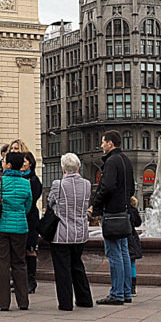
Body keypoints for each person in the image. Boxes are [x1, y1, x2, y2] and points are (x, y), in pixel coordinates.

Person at [0, 151, 32, 311]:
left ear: (8, 165)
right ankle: (23, 302)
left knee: (2, 264)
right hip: (20, 227)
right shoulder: (26, 183)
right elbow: (28, 205)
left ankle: (3, 303)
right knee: (20, 263)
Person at [47, 153, 93, 311]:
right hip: (80, 232)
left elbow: (50, 202)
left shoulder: (57, 184)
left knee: (62, 269)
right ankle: (85, 299)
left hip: (61, 233)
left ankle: (66, 303)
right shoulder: (87, 184)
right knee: (77, 264)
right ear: (78, 167)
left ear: (62, 168)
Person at [92, 130, 134, 305]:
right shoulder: (126, 160)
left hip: (112, 212)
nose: (101, 145)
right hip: (123, 212)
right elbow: (131, 188)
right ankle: (125, 291)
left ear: (110, 144)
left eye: (103, 142)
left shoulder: (111, 162)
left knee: (114, 253)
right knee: (123, 252)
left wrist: (96, 204)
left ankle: (116, 293)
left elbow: (107, 186)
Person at [20, 152, 42, 293]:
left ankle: (31, 280)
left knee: (30, 249)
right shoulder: (18, 178)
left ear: (31, 163)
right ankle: (21, 280)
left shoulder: (33, 180)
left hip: (30, 218)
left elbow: (32, 200)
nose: (23, 164)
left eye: (25, 161)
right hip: (20, 217)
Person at [127, 195, 143, 294]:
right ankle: (132, 288)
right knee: (132, 264)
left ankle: (126, 286)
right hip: (133, 237)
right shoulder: (133, 210)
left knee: (125, 262)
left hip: (124, 236)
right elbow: (138, 223)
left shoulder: (121, 209)